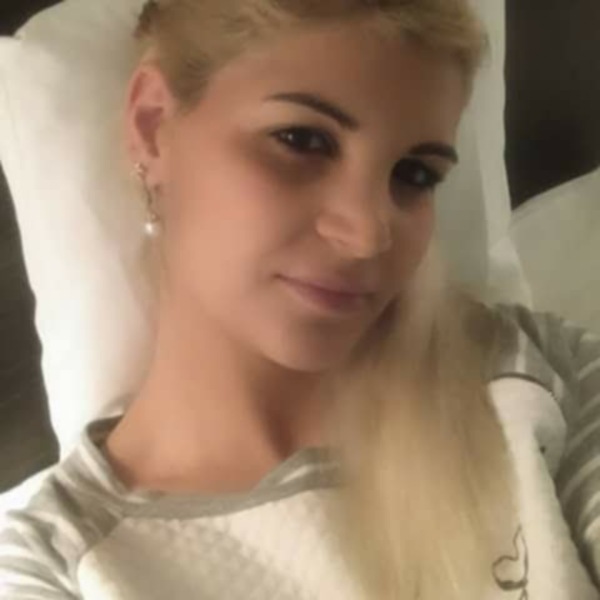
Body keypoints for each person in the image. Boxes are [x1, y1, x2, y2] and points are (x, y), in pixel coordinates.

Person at [1, 0, 600, 598]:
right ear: (154, 126)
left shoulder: (538, 378)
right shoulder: (54, 564)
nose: (367, 234)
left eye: (415, 174)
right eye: (303, 140)